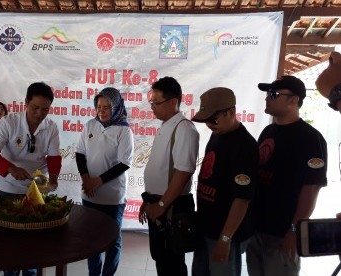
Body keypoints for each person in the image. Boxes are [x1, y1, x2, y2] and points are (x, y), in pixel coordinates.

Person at [246, 75, 328, 276]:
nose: (267, 98)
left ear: (294, 100)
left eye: (273, 94)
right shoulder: (268, 131)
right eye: (267, 94)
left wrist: (294, 230)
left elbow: (311, 189)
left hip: (283, 234)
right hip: (256, 230)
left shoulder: (311, 139)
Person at [0, 82, 61, 276]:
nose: (40, 113)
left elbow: (53, 158)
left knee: (33, 245)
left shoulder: (51, 127)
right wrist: (10, 168)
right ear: (26, 103)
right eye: (35, 108)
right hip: (8, 188)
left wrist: (54, 179)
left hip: (36, 188)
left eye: (45, 109)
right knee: (9, 245)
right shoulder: (9, 122)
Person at [190, 87, 258, 276]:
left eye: (214, 119)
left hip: (225, 233)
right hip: (206, 227)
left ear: (232, 112)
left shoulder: (245, 147)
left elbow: (242, 199)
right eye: (207, 121)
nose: (210, 125)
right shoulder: (218, 134)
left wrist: (225, 239)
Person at [138, 76, 199, 276]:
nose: (153, 107)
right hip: (159, 204)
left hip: (172, 207)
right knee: (160, 257)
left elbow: (183, 173)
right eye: (151, 102)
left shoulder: (184, 129)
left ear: (173, 102)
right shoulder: (166, 126)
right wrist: (148, 200)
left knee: (172, 262)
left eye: (157, 102)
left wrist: (162, 204)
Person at [75, 87, 134, 276]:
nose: (101, 111)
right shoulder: (90, 125)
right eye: (99, 106)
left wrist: (97, 182)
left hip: (113, 198)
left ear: (116, 107)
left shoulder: (124, 131)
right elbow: (80, 153)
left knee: (112, 240)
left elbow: (124, 163)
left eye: (107, 107)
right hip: (89, 195)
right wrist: (86, 179)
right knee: (91, 240)